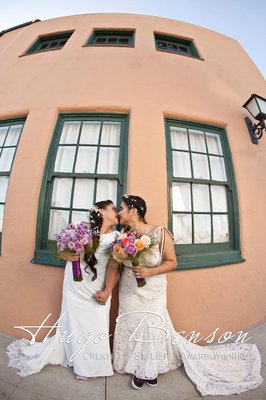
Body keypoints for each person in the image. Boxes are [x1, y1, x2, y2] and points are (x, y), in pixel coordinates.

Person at [95, 194, 263, 396]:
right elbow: (115, 265)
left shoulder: (159, 232)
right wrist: (107, 289)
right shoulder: (122, 237)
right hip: (129, 287)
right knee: (133, 322)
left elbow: (172, 262)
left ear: (133, 210)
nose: (119, 211)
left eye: (122, 207)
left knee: (152, 324)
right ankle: (136, 364)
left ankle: (149, 370)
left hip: (153, 288)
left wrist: (149, 272)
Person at [7, 200, 120, 383]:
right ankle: (77, 362)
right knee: (73, 321)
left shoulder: (117, 237)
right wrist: (66, 255)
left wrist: (108, 290)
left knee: (96, 322)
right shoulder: (79, 228)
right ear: (101, 211)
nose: (117, 212)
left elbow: (114, 267)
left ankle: (93, 363)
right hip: (74, 284)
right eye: (113, 209)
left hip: (97, 285)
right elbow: (62, 250)